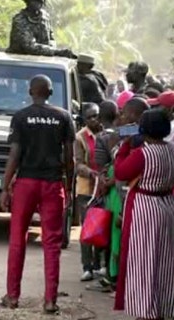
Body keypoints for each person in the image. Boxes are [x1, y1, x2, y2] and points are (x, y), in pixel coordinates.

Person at [0, 75, 75, 313]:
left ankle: (12, 297)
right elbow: (69, 158)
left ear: (30, 91)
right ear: (50, 92)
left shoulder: (21, 117)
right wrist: (69, 187)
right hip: (53, 185)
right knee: (52, 243)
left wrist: (4, 187)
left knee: (17, 239)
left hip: (26, 183)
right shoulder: (64, 117)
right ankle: (50, 300)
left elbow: (14, 154)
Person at [113, 108, 174, 319]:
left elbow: (121, 172)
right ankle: (167, 306)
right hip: (168, 205)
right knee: (166, 260)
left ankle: (146, 310)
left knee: (143, 260)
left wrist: (124, 146)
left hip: (145, 207)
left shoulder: (142, 153)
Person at [74, 102, 105, 281]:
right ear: (84, 120)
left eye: (96, 115)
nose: (94, 119)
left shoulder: (107, 134)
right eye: (90, 117)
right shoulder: (80, 138)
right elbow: (78, 164)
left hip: (104, 188)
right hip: (87, 188)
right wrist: (91, 173)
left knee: (102, 226)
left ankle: (99, 263)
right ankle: (87, 267)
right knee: (87, 228)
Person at [7, 0, 76, 58]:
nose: (40, 2)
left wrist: (53, 49)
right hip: (22, 63)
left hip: (43, 61)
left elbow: (51, 38)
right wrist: (56, 52)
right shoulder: (20, 20)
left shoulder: (45, 17)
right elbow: (29, 47)